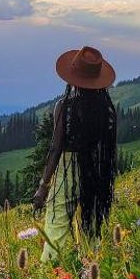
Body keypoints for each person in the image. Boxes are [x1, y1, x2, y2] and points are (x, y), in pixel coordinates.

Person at [31, 46, 118, 261]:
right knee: (92, 222)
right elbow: (106, 145)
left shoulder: (64, 106)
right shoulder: (106, 108)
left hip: (67, 170)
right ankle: (92, 268)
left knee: (56, 223)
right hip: (96, 168)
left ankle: (50, 274)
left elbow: (56, 147)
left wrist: (43, 186)